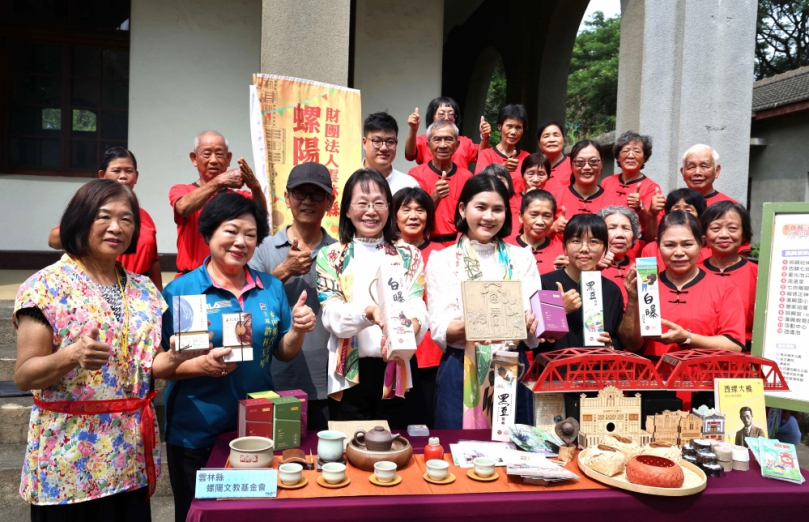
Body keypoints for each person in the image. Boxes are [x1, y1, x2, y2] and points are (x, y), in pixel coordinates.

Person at [14, 179, 191, 520]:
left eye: (127, 219)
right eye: (104, 216)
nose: (116, 227)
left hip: (130, 455)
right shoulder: (45, 286)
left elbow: (144, 364)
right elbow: (23, 376)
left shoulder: (144, 290)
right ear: (80, 220)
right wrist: (71, 355)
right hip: (68, 460)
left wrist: (177, 357)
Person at [160, 192, 315, 522]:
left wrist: (299, 328)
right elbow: (164, 365)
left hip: (257, 429)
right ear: (210, 232)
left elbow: (284, 353)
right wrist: (202, 365)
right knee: (199, 514)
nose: (240, 242)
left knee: (253, 514)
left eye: (250, 235)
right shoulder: (185, 290)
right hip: (198, 428)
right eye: (231, 231)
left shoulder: (270, 287)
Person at [425, 175, 540, 429]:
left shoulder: (522, 258)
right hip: (462, 367)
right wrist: (482, 324)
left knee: (513, 453)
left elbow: (533, 327)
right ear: (463, 209)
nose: (489, 217)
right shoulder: (443, 260)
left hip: (512, 364)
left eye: (497, 209)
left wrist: (535, 322)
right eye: (481, 207)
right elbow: (442, 327)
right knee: (459, 453)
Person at [316, 168, 427, 428]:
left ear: (389, 209)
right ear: (346, 209)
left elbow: (416, 303)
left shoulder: (408, 254)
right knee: (352, 450)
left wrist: (409, 329)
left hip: (398, 365)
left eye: (379, 203)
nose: (371, 211)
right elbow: (332, 315)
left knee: (399, 449)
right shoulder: (332, 256)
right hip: (350, 373)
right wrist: (370, 312)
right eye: (362, 203)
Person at [248, 163, 337, 431]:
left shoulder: (339, 252)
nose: (307, 201)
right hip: (273, 377)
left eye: (317, 194)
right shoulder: (262, 249)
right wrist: (284, 271)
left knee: (324, 466)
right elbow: (246, 305)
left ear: (330, 201)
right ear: (287, 198)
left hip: (328, 381)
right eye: (300, 194)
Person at [620, 211, 745, 357]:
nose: (679, 252)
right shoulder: (646, 283)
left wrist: (687, 337)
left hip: (701, 376)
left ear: (701, 243)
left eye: (687, 244)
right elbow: (631, 345)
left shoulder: (724, 288)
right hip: (651, 376)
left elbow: (734, 346)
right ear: (657, 245)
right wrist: (633, 300)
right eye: (669, 245)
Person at [47, 147, 163, 290]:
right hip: (96, 285)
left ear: (136, 176)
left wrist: (159, 296)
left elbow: (153, 261)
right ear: (102, 175)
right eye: (116, 171)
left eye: (129, 171)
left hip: (136, 290)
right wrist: (86, 226)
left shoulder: (144, 216)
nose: (123, 176)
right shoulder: (90, 210)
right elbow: (53, 240)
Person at [169, 131, 267, 276]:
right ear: (194, 158)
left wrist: (256, 187)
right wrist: (219, 181)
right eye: (207, 154)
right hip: (190, 276)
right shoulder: (182, 190)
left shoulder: (239, 198)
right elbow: (183, 207)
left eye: (220, 154)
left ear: (228, 159)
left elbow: (261, 217)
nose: (213, 160)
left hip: (230, 278)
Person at [392, 187, 443, 428]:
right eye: (406, 209)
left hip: (433, 355)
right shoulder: (386, 253)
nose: (413, 216)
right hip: (396, 353)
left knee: (429, 422)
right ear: (394, 216)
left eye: (420, 210)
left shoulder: (441, 255)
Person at [540, 214, 626, 351]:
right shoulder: (544, 284)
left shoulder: (611, 290)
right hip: (556, 370)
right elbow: (534, 339)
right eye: (576, 241)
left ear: (605, 248)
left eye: (593, 242)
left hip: (597, 370)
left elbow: (617, 338)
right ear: (565, 246)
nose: (584, 249)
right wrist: (559, 310)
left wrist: (611, 346)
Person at [699, 201, 758, 348]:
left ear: (744, 234)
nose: (724, 235)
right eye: (716, 228)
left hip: (745, 357)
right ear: (704, 234)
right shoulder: (692, 272)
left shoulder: (759, 275)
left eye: (732, 228)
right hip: (694, 353)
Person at [408, 120, 475, 245]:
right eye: (437, 139)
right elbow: (413, 214)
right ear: (428, 145)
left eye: (448, 139)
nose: (443, 145)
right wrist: (435, 196)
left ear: (457, 144)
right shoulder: (416, 174)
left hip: (460, 244)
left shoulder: (467, 177)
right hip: (425, 243)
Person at [600, 131, 664, 233]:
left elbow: (654, 226)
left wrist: (640, 208)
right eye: (626, 151)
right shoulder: (606, 182)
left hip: (637, 241)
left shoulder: (652, 187)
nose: (631, 155)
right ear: (618, 157)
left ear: (644, 158)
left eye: (637, 151)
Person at [404, 97, 491, 170]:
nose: (446, 118)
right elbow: (410, 155)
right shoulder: (423, 140)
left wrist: (485, 137)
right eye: (441, 114)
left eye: (451, 114)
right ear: (432, 116)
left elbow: (482, 157)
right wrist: (413, 129)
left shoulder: (464, 141)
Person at [550, 140, 611, 232]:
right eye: (580, 162)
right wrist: (552, 228)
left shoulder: (615, 202)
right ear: (572, 165)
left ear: (601, 164)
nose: (587, 167)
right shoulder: (553, 198)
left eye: (593, 161)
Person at [641, 188, 710, 268]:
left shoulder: (710, 251)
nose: (679, 253)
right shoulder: (649, 249)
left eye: (688, 211)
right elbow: (645, 280)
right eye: (676, 210)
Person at [474, 104, 531, 192]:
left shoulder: (527, 158)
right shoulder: (486, 154)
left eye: (518, 127)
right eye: (509, 126)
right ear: (499, 126)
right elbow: (478, 185)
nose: (513, 132)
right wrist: (502, 169)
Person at [361, 112, 419, 195]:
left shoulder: (409, 185)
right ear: (364, 143)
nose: (384, 148)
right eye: (377, 141)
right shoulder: (347, 179)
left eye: (390, 142)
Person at [597, 206, 644, 307]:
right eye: (612, 228)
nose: (620, 235)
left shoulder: (642, 268)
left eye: (626, 228)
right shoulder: (589, 267)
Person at [513, 190, 566, 275]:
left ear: (554, 219)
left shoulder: (562, 251)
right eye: (534, 215)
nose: (540, 222)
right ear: (521, 216)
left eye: (547, 216)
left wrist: (570, 270)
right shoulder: (505, 248)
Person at [479, 164, 522, 244]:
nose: (496, 184)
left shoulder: (519, 206)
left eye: (501, 180)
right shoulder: (474, 210)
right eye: (491, 180)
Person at [536, 121, 571, 193]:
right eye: (546, 136)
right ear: (539, 143)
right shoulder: (531, 165)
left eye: (556, 135)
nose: (552, 140)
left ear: (563, 141)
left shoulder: (573, 165)